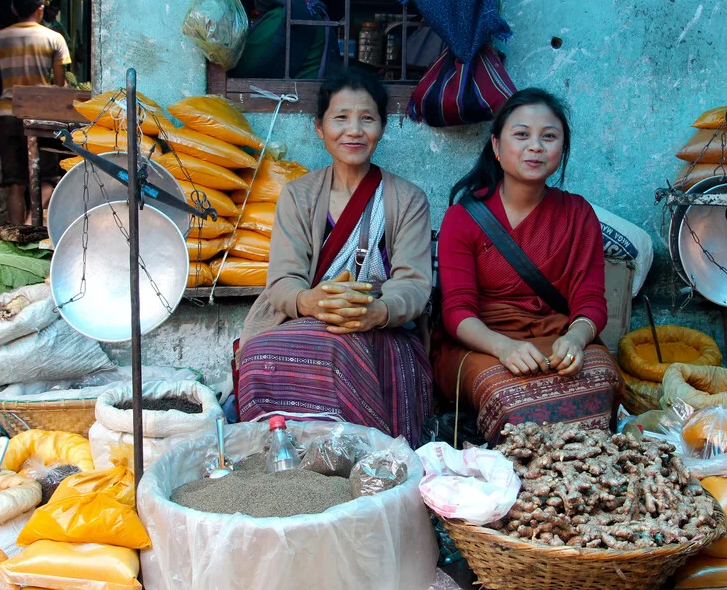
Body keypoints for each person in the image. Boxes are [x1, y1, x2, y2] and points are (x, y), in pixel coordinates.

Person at [237, 68, 433, 446]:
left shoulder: (407, 199)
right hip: (310, 316)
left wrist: (375, 312)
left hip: (382, 327)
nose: (354, 131)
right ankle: (279, 452)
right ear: (319, 127)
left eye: (367, 118)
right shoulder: (299, 196)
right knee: (261, 352)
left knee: (342, 347)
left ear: (382, 126)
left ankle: (365, 456)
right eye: (340, 118)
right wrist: (313, 301)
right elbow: (282, 281)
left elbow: (413, 284)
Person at [433, 88, 623, 444]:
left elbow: (591, 302)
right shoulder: (463, 218)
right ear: (495, 146)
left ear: (561, 149)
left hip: (556, 338)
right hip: (480, 344)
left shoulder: (578, 214)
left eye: (548, 137)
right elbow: (457, 311)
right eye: (521, 135)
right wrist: (503, 347)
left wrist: (576, 340)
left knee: (601, 379)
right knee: (506, 396)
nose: (535, 146)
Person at [0, 0, 71, 225]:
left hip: (7, 114)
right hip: (40, 117)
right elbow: (59, 84)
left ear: (14, 10)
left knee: (14, 183)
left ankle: (17, 233)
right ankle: (31, 223)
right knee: (47, 178)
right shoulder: (54, 38)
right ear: (40, 10)